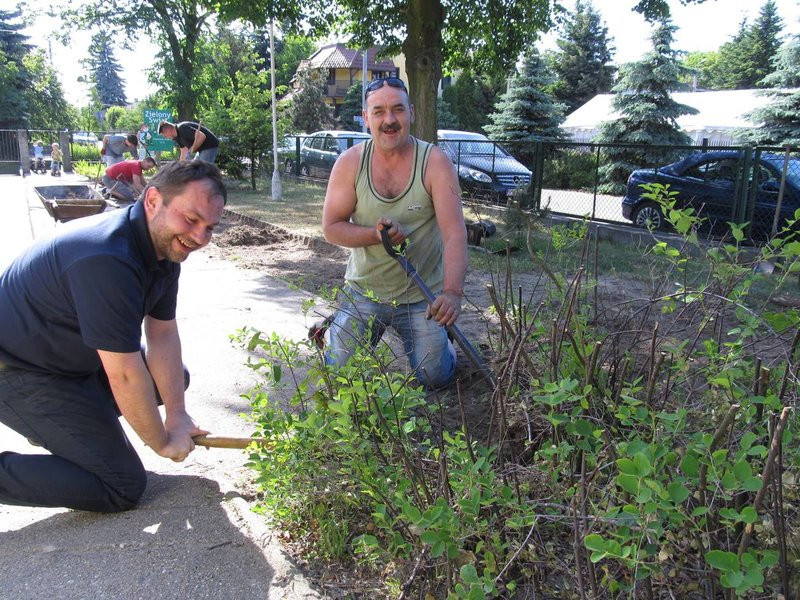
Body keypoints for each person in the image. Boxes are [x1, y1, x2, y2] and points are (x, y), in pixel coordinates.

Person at [0, 160, 227, 513]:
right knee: (122, 484)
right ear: (153, 200)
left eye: (209, 227)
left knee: (173, 380)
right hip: (18, 371)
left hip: (69, 361)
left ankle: (65, 430)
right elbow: (123, 374)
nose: (200, 237)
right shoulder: (107, 258)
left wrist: (177, 415)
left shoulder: (164, 249)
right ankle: (55, 429)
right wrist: (162, 442)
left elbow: (163, 334)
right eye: (191, 219)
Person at [321, 77, 467, 388]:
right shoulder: (350, 163)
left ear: (411, 112)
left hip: (421, 295)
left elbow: (455, 233)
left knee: (435, 378)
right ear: (366, 117)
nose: (389, 120)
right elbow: (331, 228)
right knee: (339, 374)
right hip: (364, 291)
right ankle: (336, 329)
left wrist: (452, 293)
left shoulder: (435, 163)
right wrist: (375, 236)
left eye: (398, 109)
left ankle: (444, 341)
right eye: (379, 111)